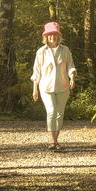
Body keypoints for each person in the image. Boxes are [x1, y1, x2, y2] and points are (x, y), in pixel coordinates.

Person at [31, 21, 76, 150]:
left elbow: (70, 66)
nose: (52, 37)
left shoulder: (65, 50)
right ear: (45, 36)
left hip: (63, 86)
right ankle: (52, 140)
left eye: (55, 34)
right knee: (51, 111)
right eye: (50, 34)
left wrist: (72, 78)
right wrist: (35, 89)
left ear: (59, 36)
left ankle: (56, 140)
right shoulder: (41, 52)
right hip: (45, 87)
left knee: (59, 114)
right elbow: (36, 72)